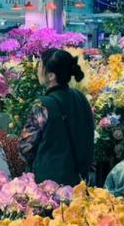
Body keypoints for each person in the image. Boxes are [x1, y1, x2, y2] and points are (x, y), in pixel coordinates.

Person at [19, 48, 95, 186]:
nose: (38, 69)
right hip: (78, 179)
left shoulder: (43, 105)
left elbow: (25, 146)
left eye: (41, 66)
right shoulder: (81, 98)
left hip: (49, 183)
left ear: (51, 76)